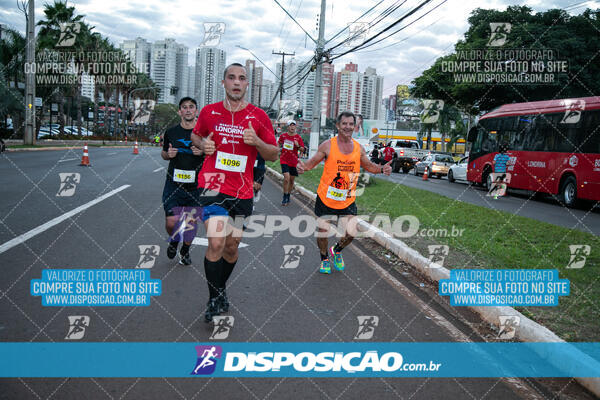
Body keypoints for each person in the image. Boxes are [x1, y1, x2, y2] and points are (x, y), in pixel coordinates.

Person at [191, 63, 278, 322]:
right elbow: (196, 136)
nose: (237, 82)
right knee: (216, 241)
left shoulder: (258, 116)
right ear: (224, 82)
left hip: (242, 192)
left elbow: (273, 154)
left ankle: (220, 289)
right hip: (212, 184)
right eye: (231, 78)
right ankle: (213, 298)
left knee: (231, 246)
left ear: (247, 84)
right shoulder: (209, 112)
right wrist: (203, 143)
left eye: (242, 78)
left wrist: (258, 143)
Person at [297, 111, 392, 274]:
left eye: (350, 124)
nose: (347, 127)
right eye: (344, 124)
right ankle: (324, 258)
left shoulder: (358, 148)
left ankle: (337, 250)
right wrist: (303, 167)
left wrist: (382, 169)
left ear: (354, 127)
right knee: (323, 231)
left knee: (351, 232)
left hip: (347, 199)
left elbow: (369, 166)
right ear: (338, 125)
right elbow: (310, 163)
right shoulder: (327, 145)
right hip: (326, 197)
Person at [161, 97, 204, 265]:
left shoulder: (203, 134)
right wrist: (168, 155)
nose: (188, 110)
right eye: (184, 107)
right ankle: (174, 240)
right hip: (174, 184)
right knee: (172, 222)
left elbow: (212, 154)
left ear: (196, 111)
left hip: (196, 186)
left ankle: (185, 250)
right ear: (179, 111)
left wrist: (202, 152)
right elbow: (164, 153)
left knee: (190, 223)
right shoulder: (171, 132)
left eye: (191, 107)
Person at [278, 120, 305, 205]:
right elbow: (278, 145)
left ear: (295, 127)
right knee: (286, 178)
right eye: (290, 125)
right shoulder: (283, 136)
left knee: (292, 181)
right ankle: (284, 196)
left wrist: (298, 145)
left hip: (293, 161)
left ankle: (288, 195)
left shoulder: (298, 137)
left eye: (294, 125)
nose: (292, 127)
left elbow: (303, 149)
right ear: (288, 127)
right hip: (284, 160)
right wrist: (279, 149)